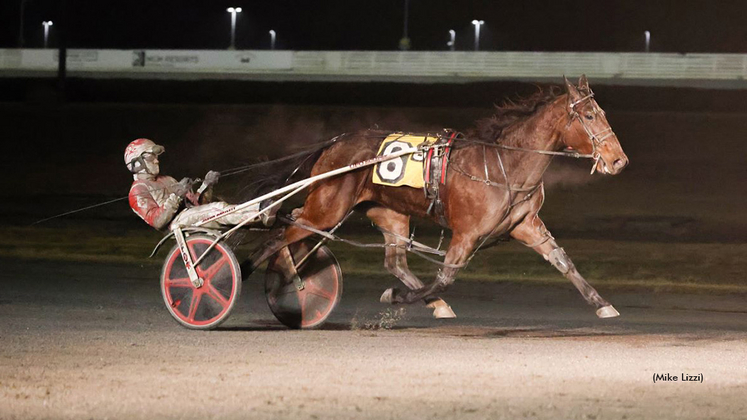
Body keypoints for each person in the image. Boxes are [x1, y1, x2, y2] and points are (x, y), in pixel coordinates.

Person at [125, 138, 275, 231]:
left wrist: (207, 185)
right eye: (152, 157)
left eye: (157, 157)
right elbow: (158, 222)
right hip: (175, 224)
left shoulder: (167, 179)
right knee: (217, 209)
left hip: (187, 216)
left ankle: (262, 211)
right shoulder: (138, 190)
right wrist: (176, 196)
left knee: (216, 207)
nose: (157, 161)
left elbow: (198, 204)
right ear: (137, 163)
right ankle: (260, 211)